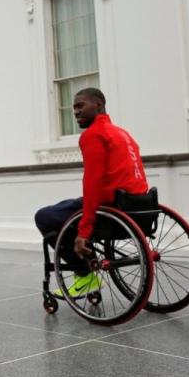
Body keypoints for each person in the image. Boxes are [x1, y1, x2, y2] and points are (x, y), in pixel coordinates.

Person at [34, 87, 149, 296]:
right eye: (74, 108)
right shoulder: (122, 133)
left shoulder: (93, 135)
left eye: (80, 106)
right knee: (62, 207)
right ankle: (88, 261)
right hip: (137, 206)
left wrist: (83, 232)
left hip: (110, 208)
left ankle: (85, 275)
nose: (75, 112)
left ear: (98, 105)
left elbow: (92, 183)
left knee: (44, 216)